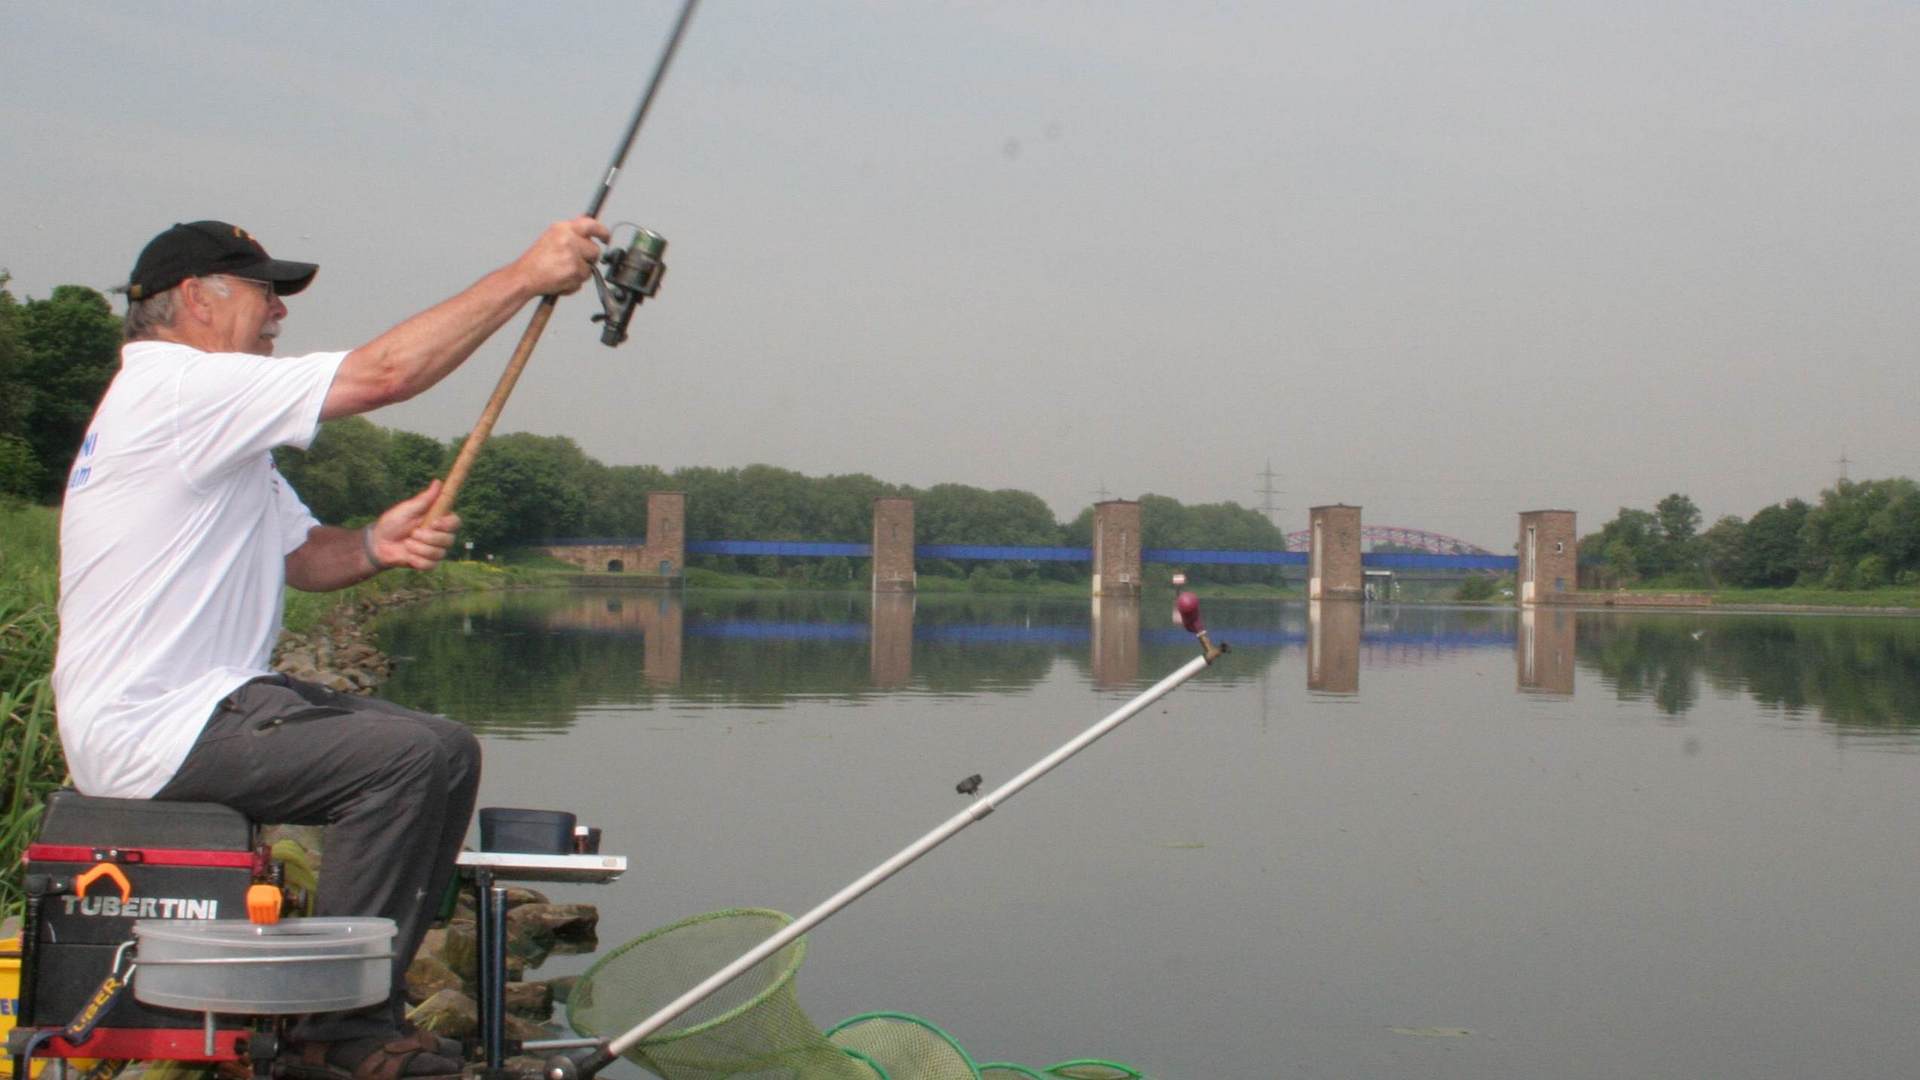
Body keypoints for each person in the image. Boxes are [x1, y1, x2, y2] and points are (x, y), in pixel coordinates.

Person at [53, 217, 607, 1080]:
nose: (278, 314)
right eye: (264, 293)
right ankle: (337, 1030)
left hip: (215, 703)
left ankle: (344, 1010)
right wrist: (525, 276)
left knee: (445, 752)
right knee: (406, 762)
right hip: (159, 726)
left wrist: (376, 548)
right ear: (196, 300)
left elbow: (306, 558)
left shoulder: (212, 426)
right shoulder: (180, 387)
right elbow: (383, 375)